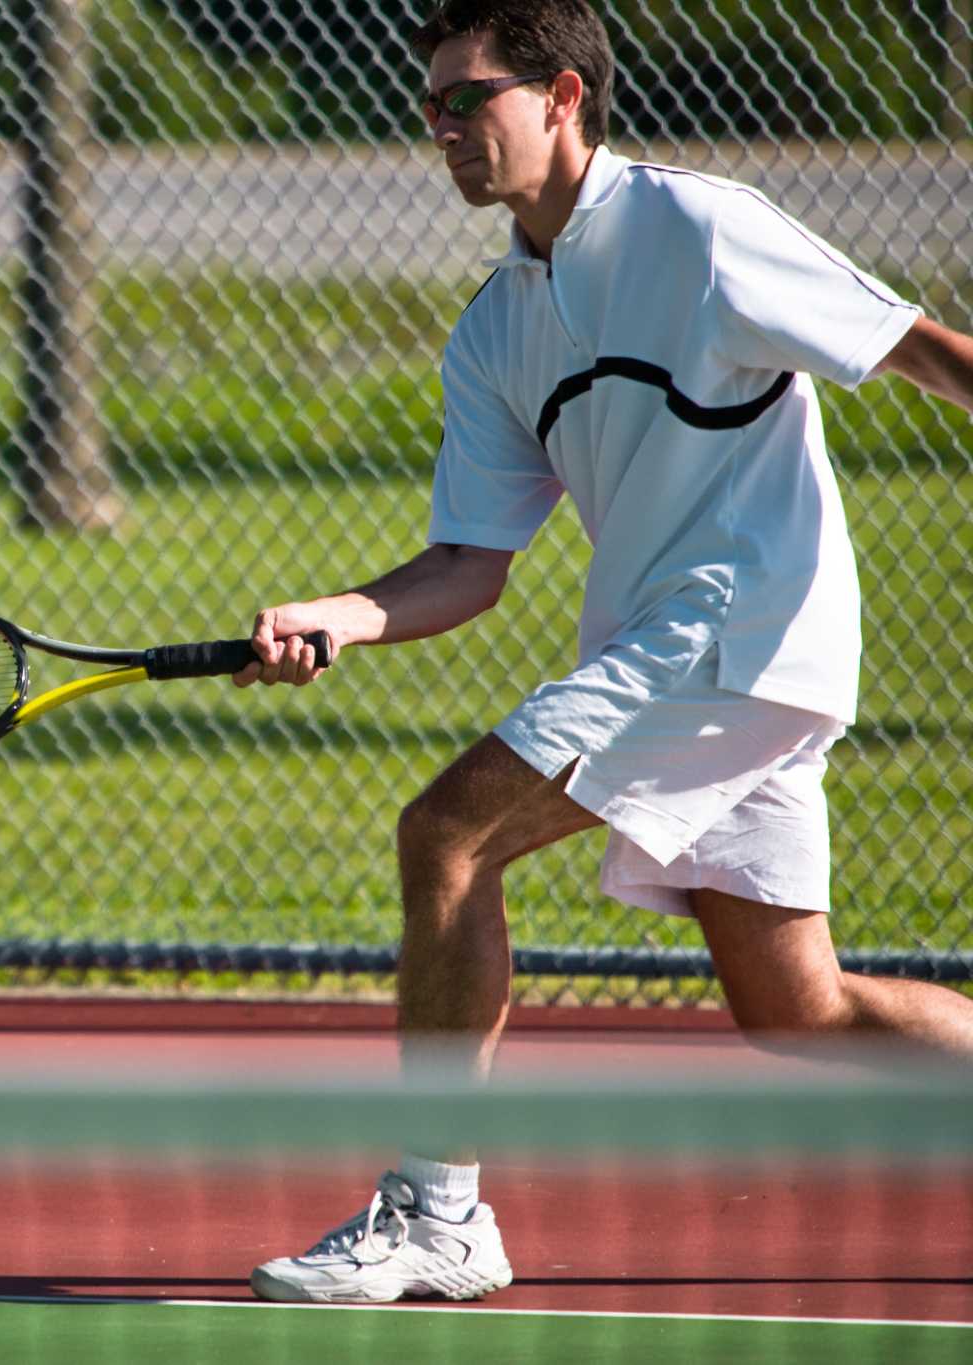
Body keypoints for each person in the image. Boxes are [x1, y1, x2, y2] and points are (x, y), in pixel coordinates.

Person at [233, 0, 973, 1305]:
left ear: (564, 97)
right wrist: (339, 613)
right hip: (693, 651)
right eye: (433, 106)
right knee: (798, 1008)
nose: (447, 130)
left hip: (736, 628)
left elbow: (923, 353)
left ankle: (438, 1213)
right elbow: (469, 564)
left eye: (474, 100)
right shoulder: (497, 328)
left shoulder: (697, 230)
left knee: (447, 835)